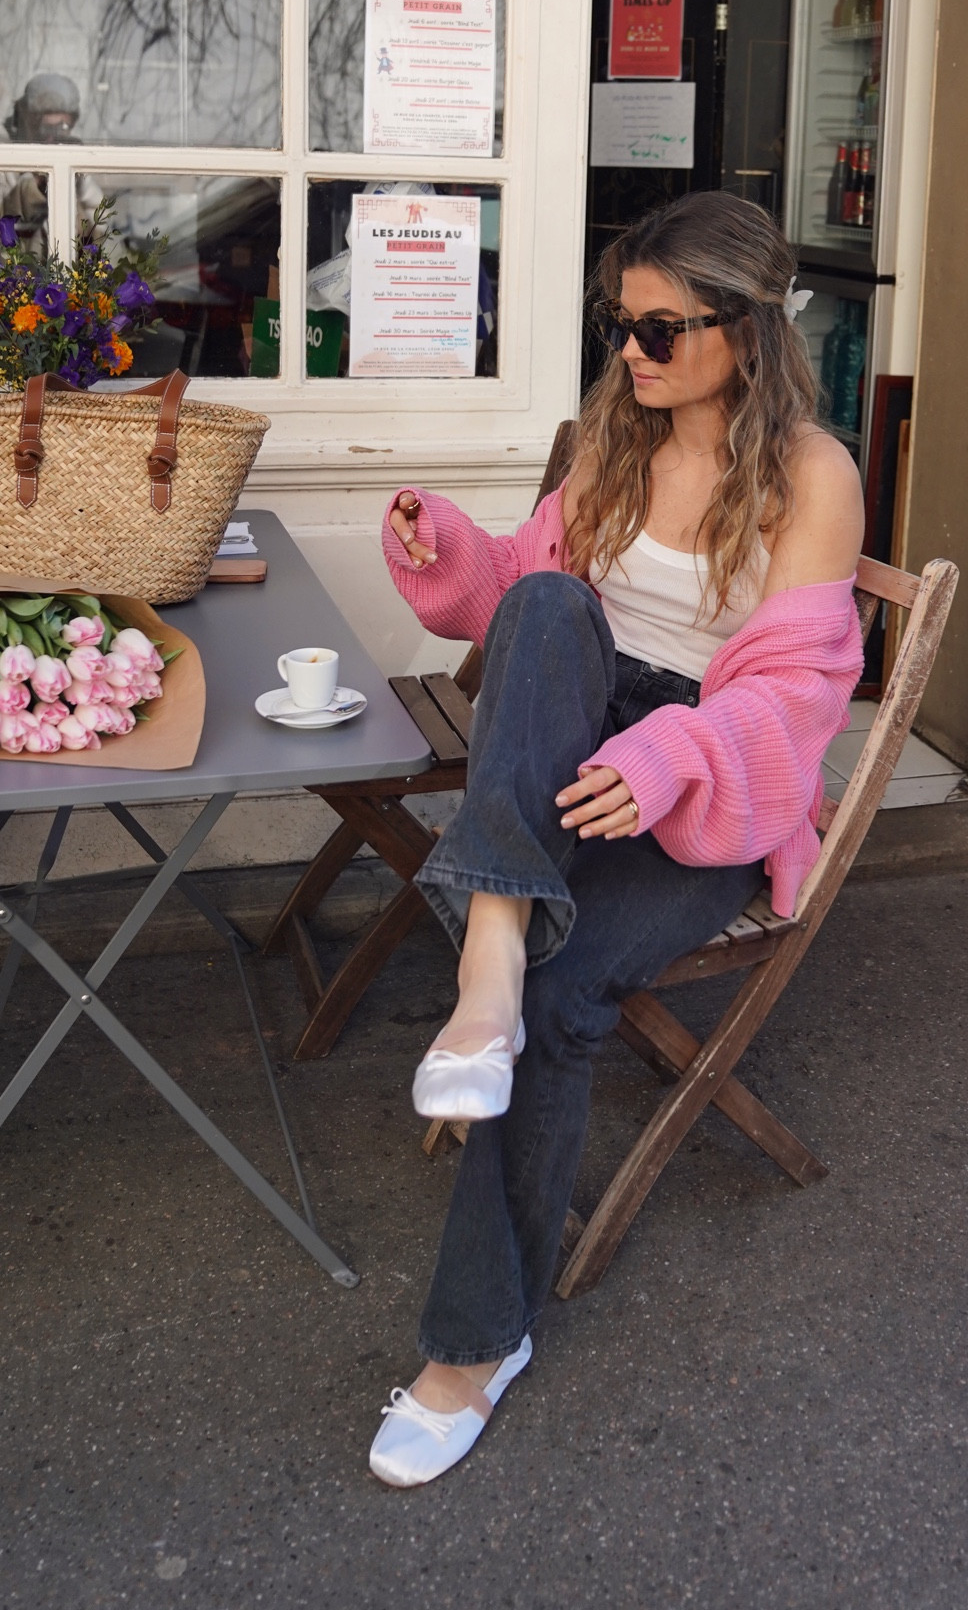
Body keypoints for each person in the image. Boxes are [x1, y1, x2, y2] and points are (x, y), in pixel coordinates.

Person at [367, 190, 865, 1488]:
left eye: (655, 329)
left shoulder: (811, 477)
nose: (629, 355)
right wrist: (450, 547)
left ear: (741, 330)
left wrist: (669, 757)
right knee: (541, 597)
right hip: (573, 735)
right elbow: (520, 603)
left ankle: (471, 1348)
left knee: (565, 983)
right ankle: (487, 957)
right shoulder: (616, 435)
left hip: (709, 780)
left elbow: (794, 702)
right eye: (617, 326)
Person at [0, 72, 101, 273]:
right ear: (25, 117)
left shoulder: (67, 150)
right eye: (43, 127)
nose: (51, 137)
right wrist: (34, 188)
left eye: (62, 127)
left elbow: (99, 226)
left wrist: (72, 200)